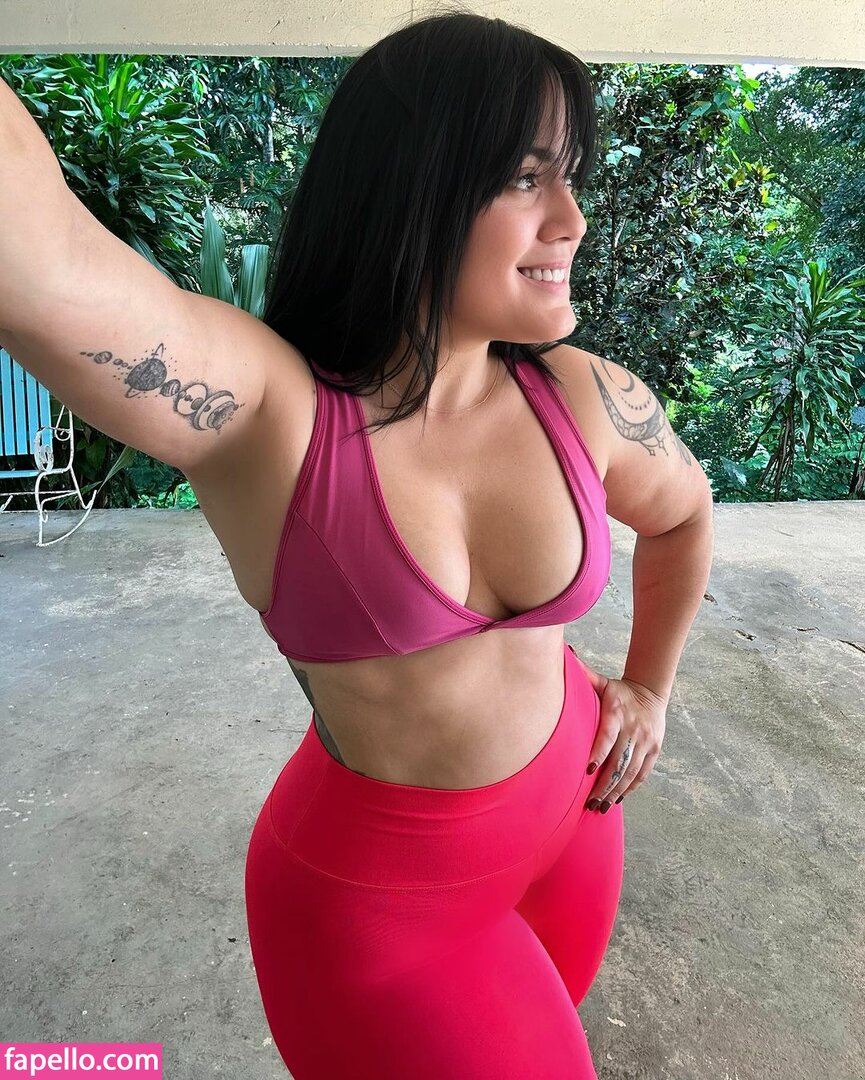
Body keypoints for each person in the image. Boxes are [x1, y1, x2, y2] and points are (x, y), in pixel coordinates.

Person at [0, 6, 715, 1077]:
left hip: (576, 830)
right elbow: (38, 260)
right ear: (415, 186)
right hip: (389, 910)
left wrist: (649, 688)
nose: (572, 218)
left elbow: (684, 515)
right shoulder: (268, 413)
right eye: (525, 178)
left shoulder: (582, 396)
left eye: (568, 176)